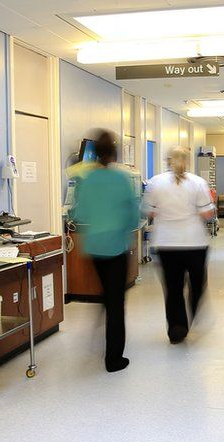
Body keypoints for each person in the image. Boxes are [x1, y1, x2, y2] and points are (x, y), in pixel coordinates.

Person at [71, 130, 140, 372]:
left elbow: (79, 214)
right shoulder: (120, 179)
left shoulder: (87, 179)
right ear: (114, 153)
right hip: (114, 247)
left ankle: (98, 337)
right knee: (115, 303)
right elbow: (133, 215)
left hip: (94, 247)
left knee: (107, 294)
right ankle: (114, 359)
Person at [143, 147, 215, 344]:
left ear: (168, 161)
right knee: (197, 285)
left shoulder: (155, 182)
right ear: (187, 161)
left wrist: (165, 212)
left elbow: (147, 210)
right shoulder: (198, 183)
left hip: (166, 244)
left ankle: (177, 328)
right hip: (195, 244)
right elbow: (207, 214)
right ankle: (190, 312)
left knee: (173, 289)